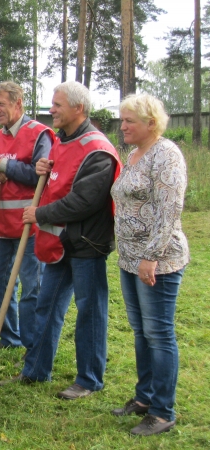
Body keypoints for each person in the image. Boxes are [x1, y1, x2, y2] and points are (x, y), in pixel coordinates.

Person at [18, 81, 121, 400]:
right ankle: (36, 370)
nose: (52, 110)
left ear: (78, 108)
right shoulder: (62, 142)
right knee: (46, 305)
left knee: (90, 310)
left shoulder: (98, 150)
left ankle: (89, 379)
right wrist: (42, 169)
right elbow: (58, 182)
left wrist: (40, 214)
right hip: (59, 244)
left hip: (87, 244)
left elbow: (84, 202)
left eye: (58, 105)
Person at [109, 94, 189, 436]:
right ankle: (144, 398)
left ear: (151, 124)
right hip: (130, 258)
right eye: (122, 119)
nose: (122, 126)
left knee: (159, 334)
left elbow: (169, 211)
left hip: (157, 261)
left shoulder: (166, 155)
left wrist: (150, 257)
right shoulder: (135, 153)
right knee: (141, 332)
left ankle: (162, 411)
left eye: (129, 121)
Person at [0, 82, 53, 351]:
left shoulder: (39, 134)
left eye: (1, 104)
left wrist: (5, 166)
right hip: (0, 225)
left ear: (18, 103)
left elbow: (41, 175)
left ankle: (32, 344)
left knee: (30, 288)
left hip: (30, 225)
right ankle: (9, 338)